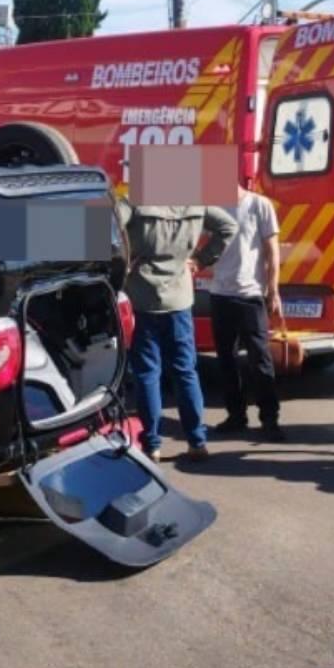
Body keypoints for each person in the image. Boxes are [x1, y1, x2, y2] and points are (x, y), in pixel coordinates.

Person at [116, 201, 237, 462]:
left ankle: (152, 445)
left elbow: (104, 228)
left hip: (142, 298)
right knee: (185, 371)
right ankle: (197, 441)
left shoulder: (135, 201)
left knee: (147, 373)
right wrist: (201, 260)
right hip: (180, 299)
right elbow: (229, 226)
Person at [210, 183, 285, 442]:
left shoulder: (258, 205)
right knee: (226, 360)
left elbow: (272, 250)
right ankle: (236, 415)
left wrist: (273, 290)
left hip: (250, 295)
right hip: (220, 294)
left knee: (260, 359)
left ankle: (270, 418)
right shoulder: (212, 205)